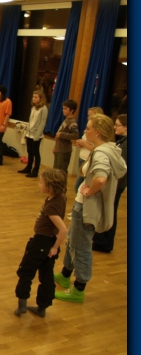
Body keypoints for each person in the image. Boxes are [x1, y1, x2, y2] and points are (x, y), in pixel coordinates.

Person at [54, 114, 127, 303]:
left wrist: (89, 192)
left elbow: (100, 179)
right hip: (83, 205)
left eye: (88, 128)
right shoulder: (107, 148)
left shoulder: (102, 153)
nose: (85, 131)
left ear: (99, 131)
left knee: (81, 247)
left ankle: (78, 288)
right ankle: (65, 273)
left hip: (86, 208)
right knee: (73, 241)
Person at [14, 169, 67, 318]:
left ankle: (22, 305)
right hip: (49, 241)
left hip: (41, 242)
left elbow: (63, 230)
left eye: (41, 182)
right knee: (46, 275)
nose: (39, 184)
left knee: (26, 272)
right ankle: (42, 307)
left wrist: (55, 247)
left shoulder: (51, 207)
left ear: (50, 187)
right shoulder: (60, 197)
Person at [92, 114, 127, 253]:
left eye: (117, 125)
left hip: (116, 184)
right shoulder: (121, 141)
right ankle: (101, 240)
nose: (114, 127)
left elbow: (120, 166)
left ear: (126, 127)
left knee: (108, 210)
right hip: (115, 183)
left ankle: (104, 242)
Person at [18, 90, 49, 178]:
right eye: (33, 97)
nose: (33, 98)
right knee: (29, 152)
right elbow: (30, 121)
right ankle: (28, 168)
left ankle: (35, 171)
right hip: (29, 133)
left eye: (36, 97)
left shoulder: (44, 109)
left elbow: (42, 123)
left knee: (36, 153)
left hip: (36, 135)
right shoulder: (33, 108)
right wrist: (26, 133)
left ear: (40, 98)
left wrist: (37, 136)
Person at [73, 107, 104, 193]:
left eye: (91, 115)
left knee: (78, 186)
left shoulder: (98, 132)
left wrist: (85, 144)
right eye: (88, 115)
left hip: (88, 159)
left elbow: (97, 149)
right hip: (82, 157)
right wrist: (80, 144)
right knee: (79, 185)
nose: (88, 117)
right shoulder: (89, 127)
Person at [52, 99, 79, 173]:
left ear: (72, 110)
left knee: (61, 171)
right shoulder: (66, 120)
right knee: (55, 170)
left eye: (65, 109)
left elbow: (76, 135)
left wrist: (62, 134)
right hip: (59, 148)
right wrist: (55, 146)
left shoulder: (72, 122)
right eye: (63, 108)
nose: (63, 110)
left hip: (64, 150)